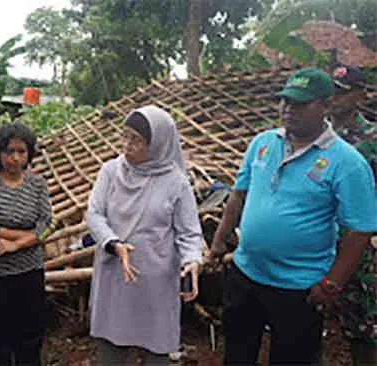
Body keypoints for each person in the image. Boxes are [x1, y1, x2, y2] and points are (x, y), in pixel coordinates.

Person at [209, 67, 377, 365]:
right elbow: (238, 195)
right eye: (285, 101)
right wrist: (220, 241)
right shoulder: (262, 143)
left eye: (300, 103)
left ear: (325, 106)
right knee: (237, 354)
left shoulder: (348, 162)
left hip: (299, 287)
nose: (288, 109)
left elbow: (360, 230)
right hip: (247, 274)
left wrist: (331, 284)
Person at [86, 106, 202, 366]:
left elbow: (189, 232)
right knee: (111, 347)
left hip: (156, 282)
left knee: (156, 349)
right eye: (124, 136)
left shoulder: (176, 183)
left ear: (158, 144)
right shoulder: (110, 172)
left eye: (136, 140)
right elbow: (94, 214)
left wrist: (192, 260)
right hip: (115, 276)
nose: (127, 145)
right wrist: (114, 244)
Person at [0, 122, 55, 366]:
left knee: (31, 330)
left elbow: (48, 223)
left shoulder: (37, 184)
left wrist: (15, 245)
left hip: (31, 268)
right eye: (10, 151)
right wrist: (30, 236)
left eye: (22, 151)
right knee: (0, 331)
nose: (16, 158)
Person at [329, 64, 377, 366]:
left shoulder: (372, 139)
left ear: (361, 95)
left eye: (343, 92)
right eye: (331, 91)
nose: (335, 98)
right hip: (317, 243)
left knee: (363, 324)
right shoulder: (315, 135)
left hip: (358, 245)